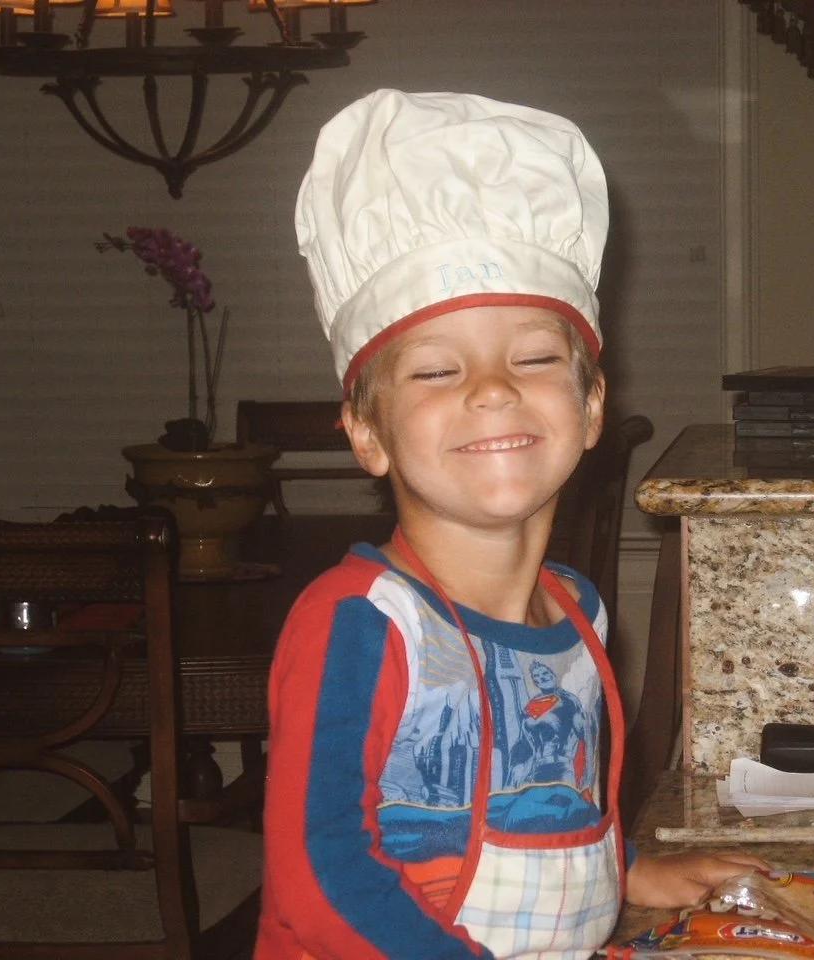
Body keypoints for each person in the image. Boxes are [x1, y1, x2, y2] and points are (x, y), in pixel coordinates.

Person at [257, 88, 767, 960]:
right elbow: (319, 872)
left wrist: (628, 869)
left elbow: (539, 802)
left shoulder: (577, 611)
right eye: (435, 372)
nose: (492, 388)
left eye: (532, 358)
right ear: (368, 434)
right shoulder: (363, 624)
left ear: (593, 405)